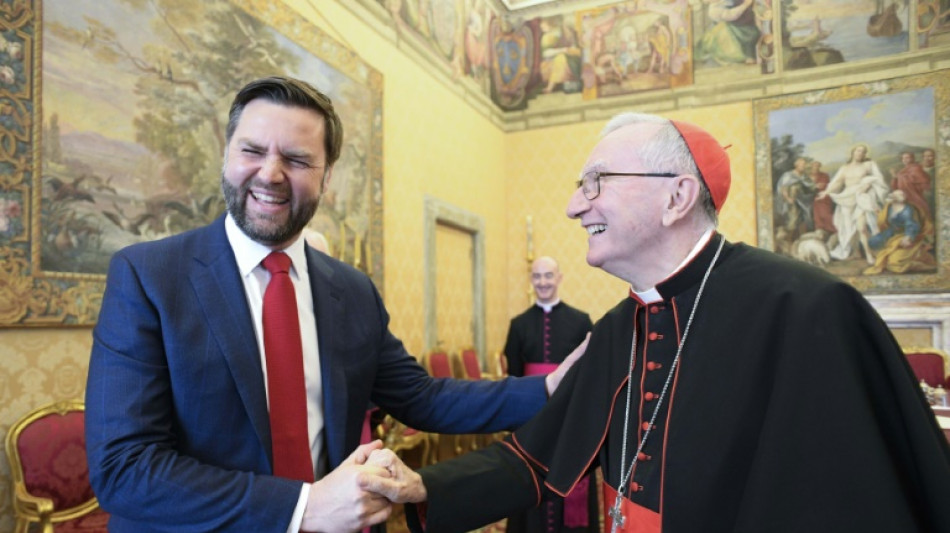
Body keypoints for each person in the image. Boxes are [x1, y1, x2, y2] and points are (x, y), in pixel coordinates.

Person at [364, 113, 950, 533]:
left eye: (596, 183)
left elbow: (853, 501)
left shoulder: (806, 309)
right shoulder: (622, 325)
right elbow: (535, 457)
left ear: (677, 197)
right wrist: (425, 486)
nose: (573, 206)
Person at [84, 76, 584, 533]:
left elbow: (422, 397)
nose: (270, 173)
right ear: (227, 156)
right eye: (252, 150)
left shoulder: (352, 290)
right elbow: (124, 468)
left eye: (297, 160)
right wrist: (302, 506)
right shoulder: (148, 276)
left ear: (327, 178)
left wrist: (545, 389)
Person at [503, 255, 595, 533]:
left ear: (559, 278)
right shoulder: (518, 324)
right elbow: (514, 375)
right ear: (532, 280)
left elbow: (587, 371)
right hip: (530, 413)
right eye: (537, 276)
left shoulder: (581, 321)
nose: (543, 282)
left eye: (548, 275)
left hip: (568, 410)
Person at [816, 143, 889, 264]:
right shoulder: (845, 168)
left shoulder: (868, 165)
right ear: (853, 152)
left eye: (863, 151)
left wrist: (867, 184)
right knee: (850, 228)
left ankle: (869, 254)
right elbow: (837, 182)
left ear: (865, 154)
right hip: (847, 198)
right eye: (858, 151)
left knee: (861, 228)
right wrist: (826, 192)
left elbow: (878, 179)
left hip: (861, 198)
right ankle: (856, 252)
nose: (860, 153)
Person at [863, 189, 937, 275]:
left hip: (904, 234)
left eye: (902, 194)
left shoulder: (907, 210)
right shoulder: (889, 207)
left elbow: (912, 225)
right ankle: (886, 256)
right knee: (873, 242)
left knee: (895, 261)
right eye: (899, 195)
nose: (903, 196)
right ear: (892, 198)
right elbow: (884, 218)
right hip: (892, 232)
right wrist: (878, 214)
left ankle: (915, 258)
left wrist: (908, 237)